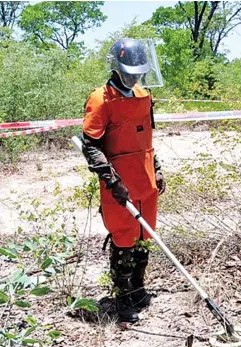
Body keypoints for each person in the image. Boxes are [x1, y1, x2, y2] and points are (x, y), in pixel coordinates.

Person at [80, 38, 165, 323]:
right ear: (116, 68)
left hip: (145, 180)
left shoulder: (143, 94)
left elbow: (147, 139)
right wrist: (111, 180)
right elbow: (90, 145)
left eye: (139, 71)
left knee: (144, 237)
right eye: (130, 71)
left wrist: (158, 168)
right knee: (123, 239)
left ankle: (139, 289)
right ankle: (123, 298)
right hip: (119, 183)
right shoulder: (100, 99)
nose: (135, 76)